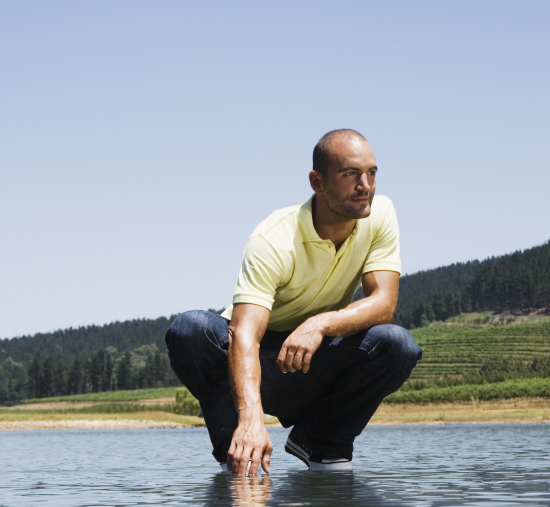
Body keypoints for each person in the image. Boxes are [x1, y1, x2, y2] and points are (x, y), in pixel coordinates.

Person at [166, 129, 422, 475]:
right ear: (317, 182)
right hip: (249, 362)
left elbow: (383, 304)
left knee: (398, 344)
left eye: (372, 173)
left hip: (314, 359)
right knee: (190, 329)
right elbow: (244, 333)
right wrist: (252, 417)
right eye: (350, 174)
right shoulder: (273, 238)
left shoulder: (379, 214)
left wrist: (319, 324)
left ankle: (321, 443)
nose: (366, 185)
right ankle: (240, 450)